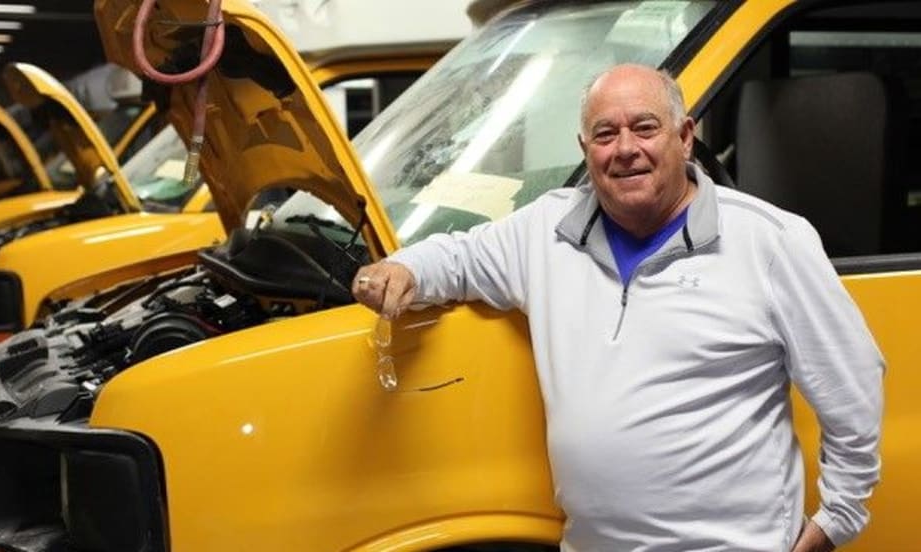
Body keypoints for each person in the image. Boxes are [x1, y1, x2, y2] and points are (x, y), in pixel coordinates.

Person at [352, 64, 883, 552]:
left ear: (685, 137)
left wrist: (838, 518)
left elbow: (852, 380)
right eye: (605, 134)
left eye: (645, 128)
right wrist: (402, 270)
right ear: (585, 149)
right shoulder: (547, 230)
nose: (625, 148)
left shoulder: (769, 240)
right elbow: (460, 257)